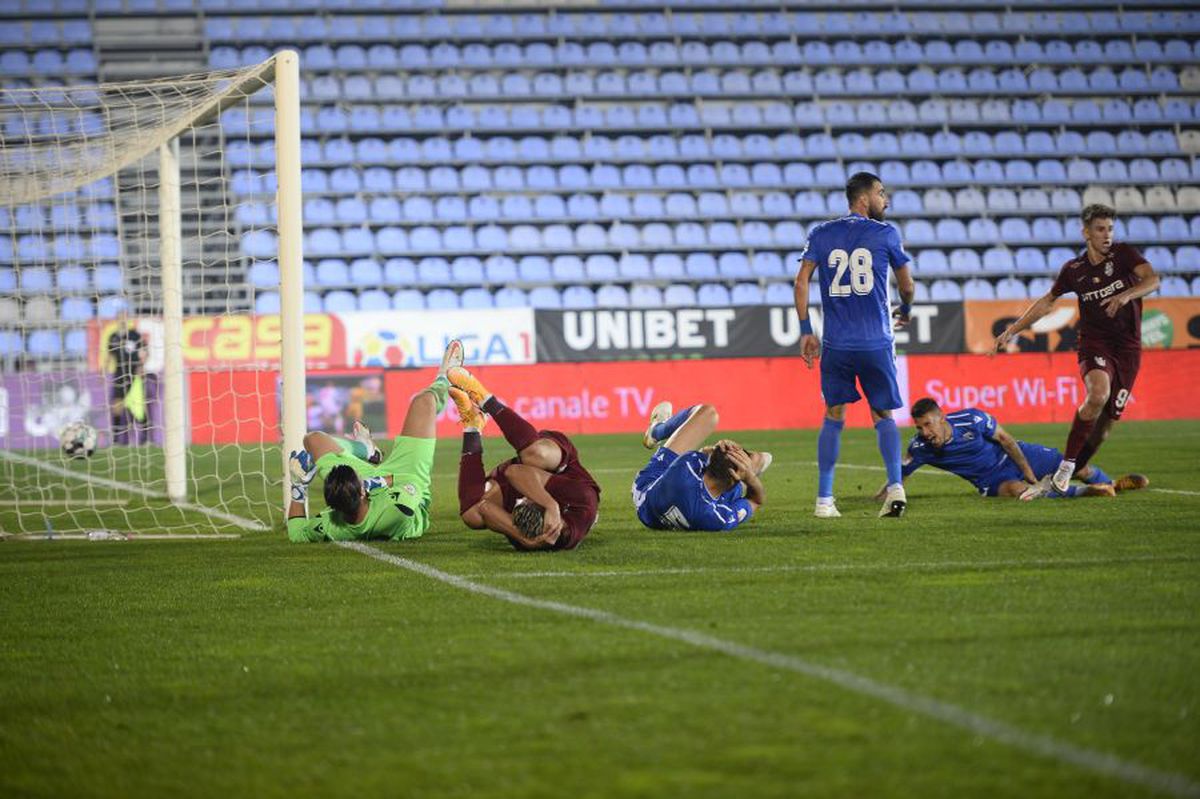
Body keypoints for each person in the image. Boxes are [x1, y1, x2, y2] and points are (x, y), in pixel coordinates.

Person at [992, 204, 1160, 498]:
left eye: (1110, 229)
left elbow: (1152, 280)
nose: (1107, 235)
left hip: (1128, 348)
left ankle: (1073, 472)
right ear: (1086, 233)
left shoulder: (1124, 254)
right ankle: (1067, 466)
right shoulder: (1074, 270)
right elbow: (1047, 302)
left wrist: (1126, 295)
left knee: (1104, 426)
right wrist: (1013, 329)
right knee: (1097, 394)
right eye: (1100, 229)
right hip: (1095, 342)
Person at [793, 171, 916, 519]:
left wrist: (806, 330)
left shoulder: (821, 233)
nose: (886, 200)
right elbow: (907, 286)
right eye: (881, 193)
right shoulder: (886, 233)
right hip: (876, 341)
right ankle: (896, 487)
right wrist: (906, 309)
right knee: (883, 414)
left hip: (836, 344)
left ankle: (824, 501)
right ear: (864, 198)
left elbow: (801, 282)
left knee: (833, 415)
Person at [285, 341, 460, 543]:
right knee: (424, 402)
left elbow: (296, 534)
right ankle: (445, 378)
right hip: (405, 478)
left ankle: (366, 451)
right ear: (362, 491)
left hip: (361, 488)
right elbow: (410, 482)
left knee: (313, 440)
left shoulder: (331, 525)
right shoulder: (398, 512)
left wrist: (298, 487)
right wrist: (371, 482)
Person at [449, 358, 600, 551]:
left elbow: (485, 507)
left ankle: (472, 424)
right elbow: (515, 472)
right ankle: (485, 398)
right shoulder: (583, 500)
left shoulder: (530, 531)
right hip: (560, 465)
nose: (522, 500)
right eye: (528, 501)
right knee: (535, 455)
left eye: (520, 504)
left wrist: (521, 537)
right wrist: (550, 505)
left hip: (522, 478)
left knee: (472, 514)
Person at [891, 397, 1149, 499]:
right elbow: (900, 474)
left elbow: (1007, 440)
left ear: (941, 418)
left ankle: (1112, 485)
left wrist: (1027, 471)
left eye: (928, 425)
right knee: (1019, 492)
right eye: (919, 427)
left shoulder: (972, 418)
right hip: (991, 480)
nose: (925, 432)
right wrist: (887, 495)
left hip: (1017, 456)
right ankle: (1088, 492)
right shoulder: (920, 447)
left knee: (1075, 467)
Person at [631, 401, 770, 531]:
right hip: (663, 499)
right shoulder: (717, 518)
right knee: (760, 459)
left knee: (708, 414)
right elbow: (756, 500)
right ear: (735, 480)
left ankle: (656, 431)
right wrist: (750, 478)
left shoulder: (686, 466)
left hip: (647, 491)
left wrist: (718, 450)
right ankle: (748, 465)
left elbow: (704, 452)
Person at [104, 309, 147, 445]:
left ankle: (144, 438)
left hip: (134, 373)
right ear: (117, 320)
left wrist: (141, 366)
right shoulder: (113, 337)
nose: (122, 320)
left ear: (127, 319)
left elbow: (145, 351)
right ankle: (116, 439)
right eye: (120, 317)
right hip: (119, 373)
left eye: (124, 317)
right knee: (117, 405)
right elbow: (109, 356)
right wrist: (103, 371)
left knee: (138, 406)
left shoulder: (134, 335)